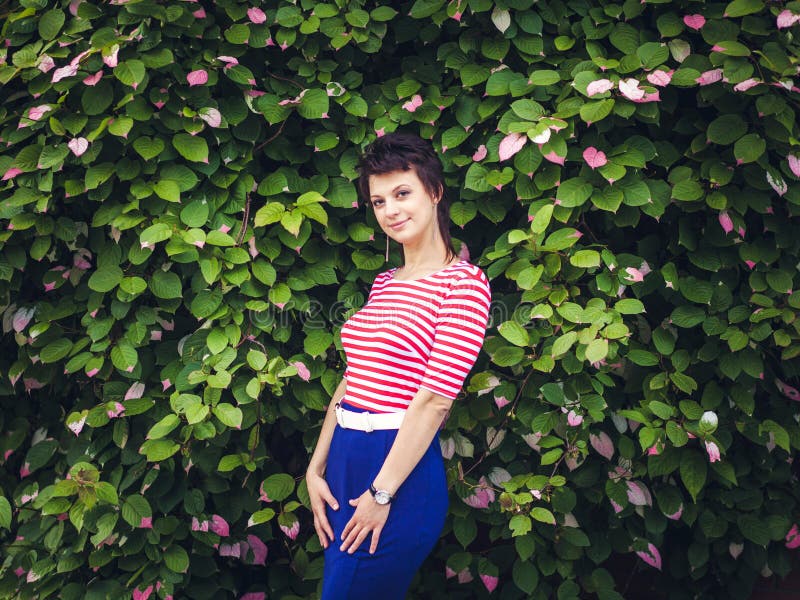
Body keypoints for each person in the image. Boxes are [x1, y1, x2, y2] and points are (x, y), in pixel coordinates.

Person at [305, 132, 492, 599]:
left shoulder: (464, 286)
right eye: (379, 200)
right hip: (345, 461)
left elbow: (432, 402)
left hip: (396, 474)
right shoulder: (386, 283)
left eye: (402, 193)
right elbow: (354, 378)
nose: (391, 210)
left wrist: (381, 494)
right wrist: (316, 466)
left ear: (434, 191)